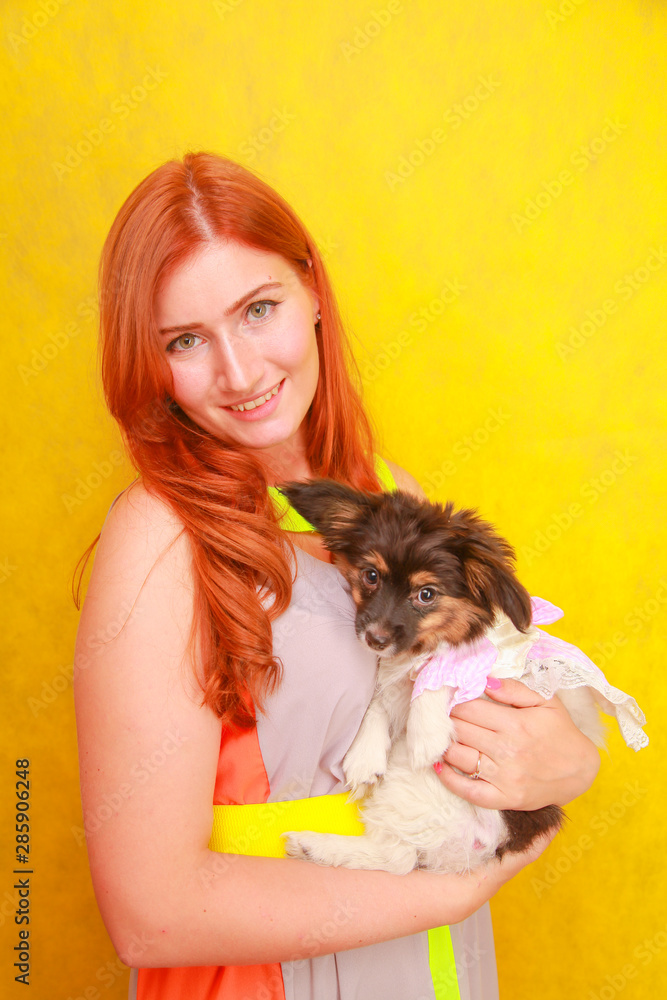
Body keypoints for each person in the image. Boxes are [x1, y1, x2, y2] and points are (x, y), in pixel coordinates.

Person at [73, 152, 601, 1000]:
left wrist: (565, 765)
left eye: (257, 310)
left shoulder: (392, 498)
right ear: (149, 360)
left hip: (428, 968)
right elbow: (151, 913)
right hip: (270, 979)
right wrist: (454, 891)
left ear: (313, 290)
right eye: (184, 340)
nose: (239, 374)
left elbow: (472, 713)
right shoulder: (160, 537)